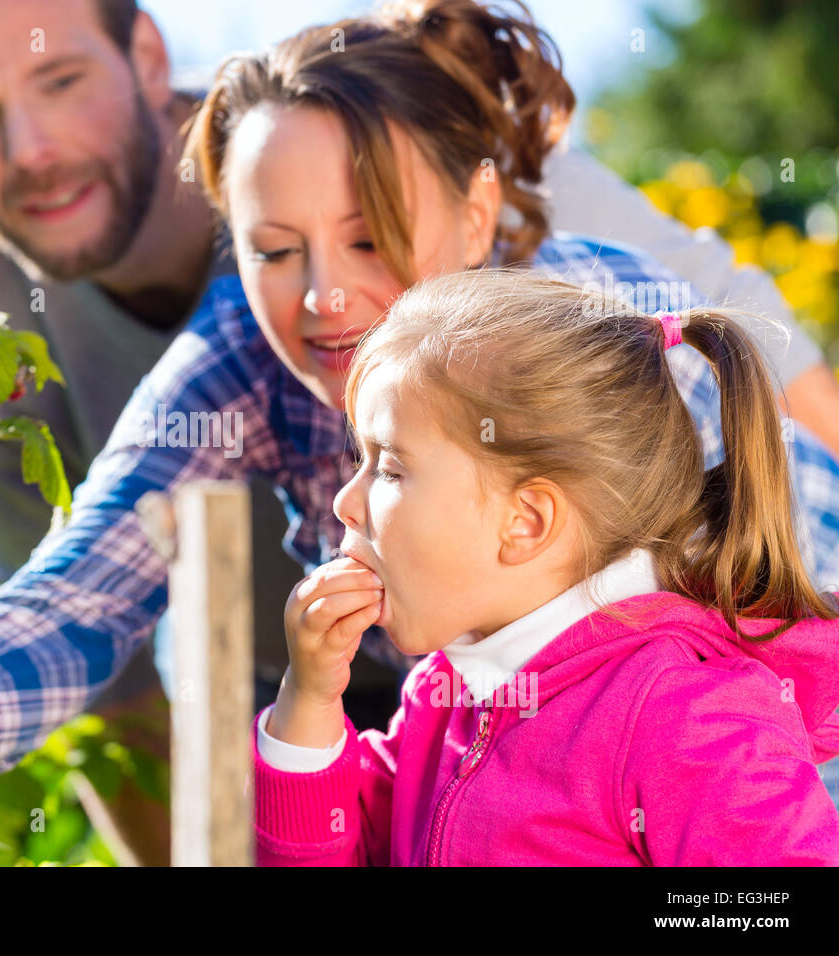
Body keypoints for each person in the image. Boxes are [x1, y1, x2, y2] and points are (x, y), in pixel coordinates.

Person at [0, 0, 839, 846]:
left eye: (368, 234)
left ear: (476, 214)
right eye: (273, 249)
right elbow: (82, 587)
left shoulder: (600, 331)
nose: (324, 296)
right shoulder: (243, 360)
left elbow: (787, 598)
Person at [256, 267, 839, 865]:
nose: (343, 502)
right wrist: (309, 701)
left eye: (391, 469)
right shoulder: (445, 693)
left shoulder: (682, 713)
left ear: (526, 523)